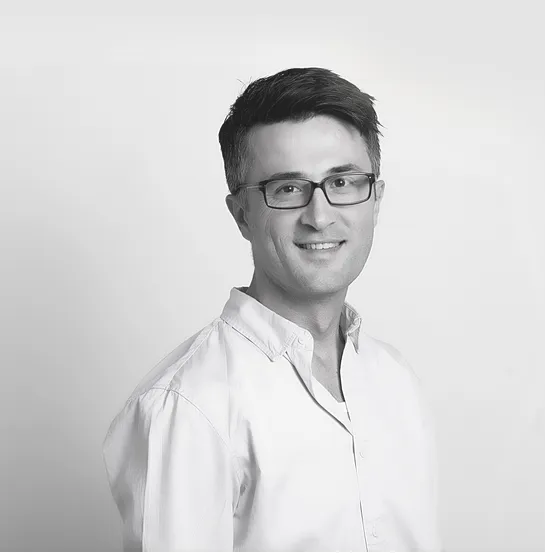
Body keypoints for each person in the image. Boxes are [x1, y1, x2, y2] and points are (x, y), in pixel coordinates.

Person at [103, 67, 440, 551]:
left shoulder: (395, 381)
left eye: (343, 181)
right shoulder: (189, 407)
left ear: (376, 199)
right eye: (287, 189)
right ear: (241, 214)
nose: (319, 216)